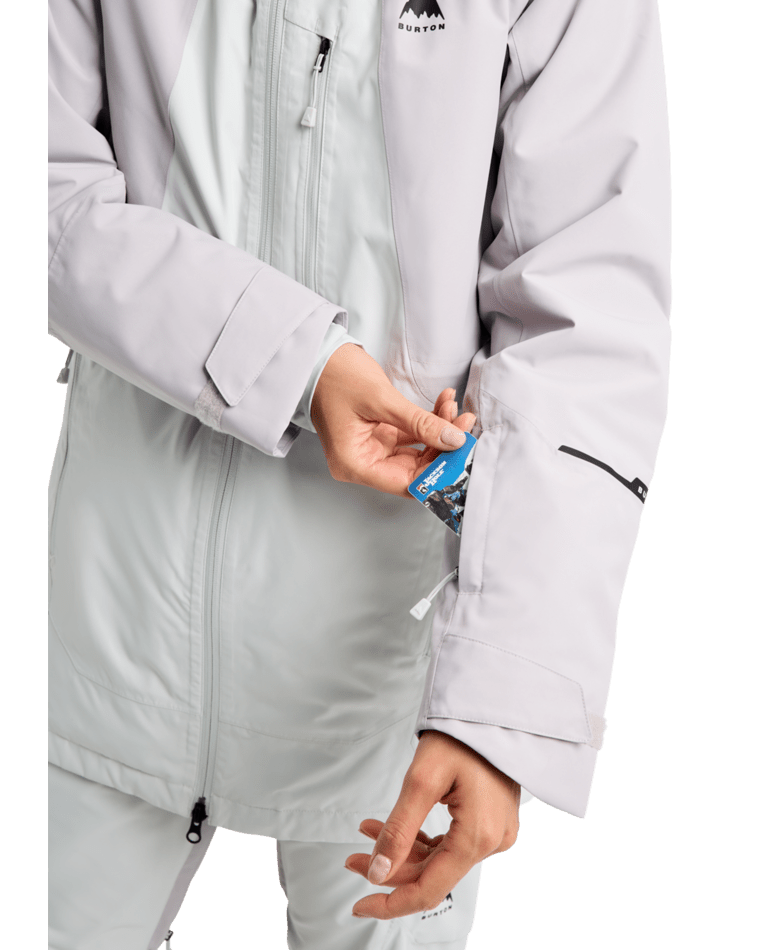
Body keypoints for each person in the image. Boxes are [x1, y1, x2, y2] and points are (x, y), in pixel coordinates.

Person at [47, 0, 672, 947]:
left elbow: (586, 330)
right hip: (103, 645)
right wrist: (292, 362)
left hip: (399, 687)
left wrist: (498, 710)